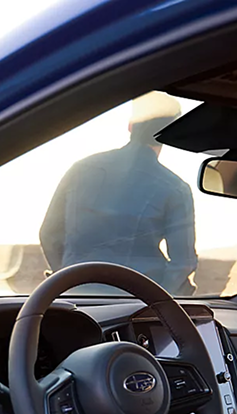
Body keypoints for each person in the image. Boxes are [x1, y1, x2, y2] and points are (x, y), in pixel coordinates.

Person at [39, 92, 198, 295]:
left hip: (76, 297)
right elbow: (183, 262)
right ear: (171, 135)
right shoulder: (175, 188)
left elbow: (49, 234)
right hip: (138, 302)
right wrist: (158, 301)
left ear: (130, 126)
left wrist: (68, 280)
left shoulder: (80, 169)